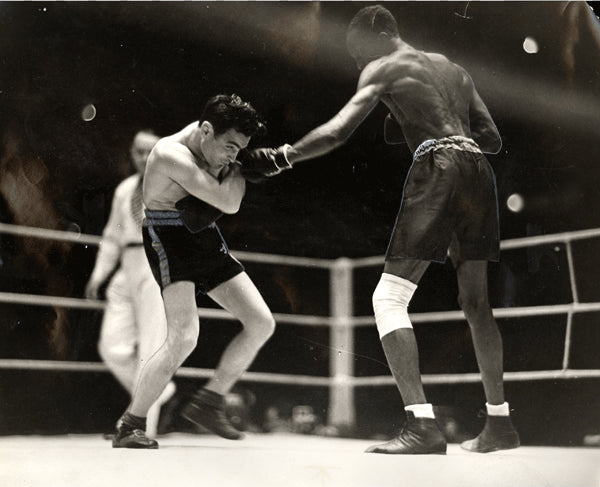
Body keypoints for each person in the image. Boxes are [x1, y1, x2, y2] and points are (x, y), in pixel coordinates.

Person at [243, 5, 520, 454]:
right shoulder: (454, 69)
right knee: (477, 302)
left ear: (377, 35)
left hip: (440, 166)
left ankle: (422, 426)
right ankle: (500, 423)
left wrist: (281, 156)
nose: (356, 64)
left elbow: (337, 132)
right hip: (478, 170)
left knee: (388, 297)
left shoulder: (382, 66)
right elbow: (490, 139)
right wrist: (418, 119)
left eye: (357, 53)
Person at [111, 94, 275, 449]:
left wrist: (248, 162)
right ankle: (130, 423)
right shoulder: (170, 154)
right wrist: (246, 168)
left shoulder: (214, 147)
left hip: (200, 234)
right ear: (205, 131)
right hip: (167, 236)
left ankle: (210, 401)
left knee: (261, 322)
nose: (234, 154)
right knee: (184, 336)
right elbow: (229, 202)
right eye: (230, 146)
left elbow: (222, 188)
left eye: (240, 149)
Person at [85, 130, 176, 440]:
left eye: (149, 151)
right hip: (127, 264)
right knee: (111, 345)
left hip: (156, 263)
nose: (143, 157)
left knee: (151, 347)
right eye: (138, 151)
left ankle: (139, 427)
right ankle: (158, 393)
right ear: (131, 153)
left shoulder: (173, 185)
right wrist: (99, 275)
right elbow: (112, 235)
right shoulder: (125, 190)